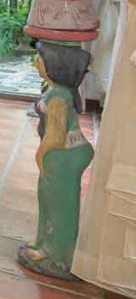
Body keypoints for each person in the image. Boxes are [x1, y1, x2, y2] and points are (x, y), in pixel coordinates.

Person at [18, 41, 93, 279]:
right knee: (48, 197)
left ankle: (58, 254)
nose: (35, 63)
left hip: (64, 154)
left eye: (39, 60)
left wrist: (41, 153)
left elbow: (56, 135)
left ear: (54, 66)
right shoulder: (55, 91)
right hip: (60, 154)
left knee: (60, 203)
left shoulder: (59, 96)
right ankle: (43, 243)